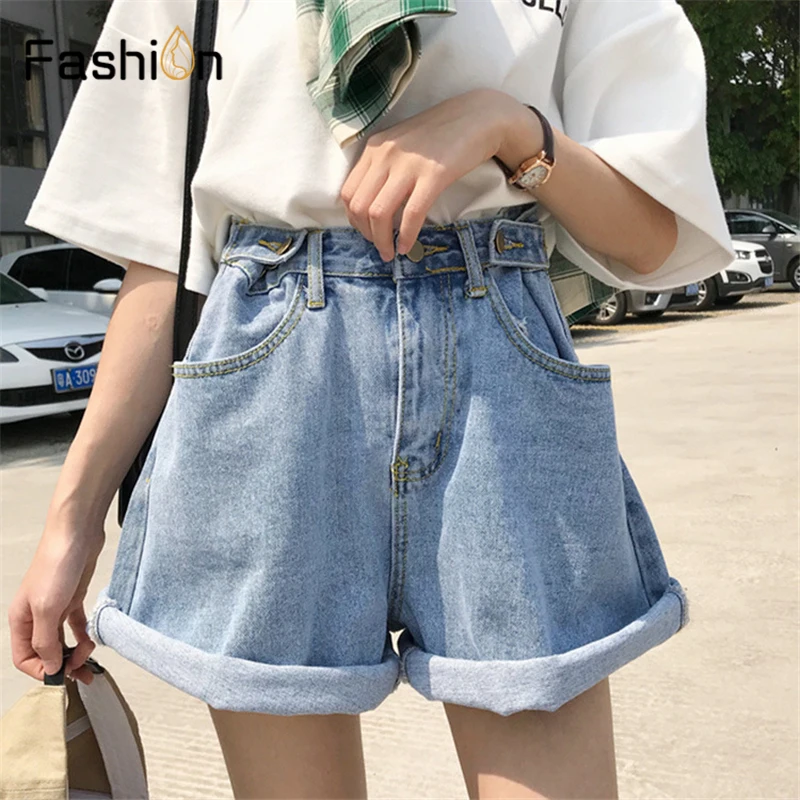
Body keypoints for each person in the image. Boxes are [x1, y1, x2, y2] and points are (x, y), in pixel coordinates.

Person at [9, 0, 734, 797]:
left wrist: (506, 127)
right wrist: (71, 519)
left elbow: (651, 235)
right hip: (271, 385)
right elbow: (158, 260)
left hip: (500, 383)